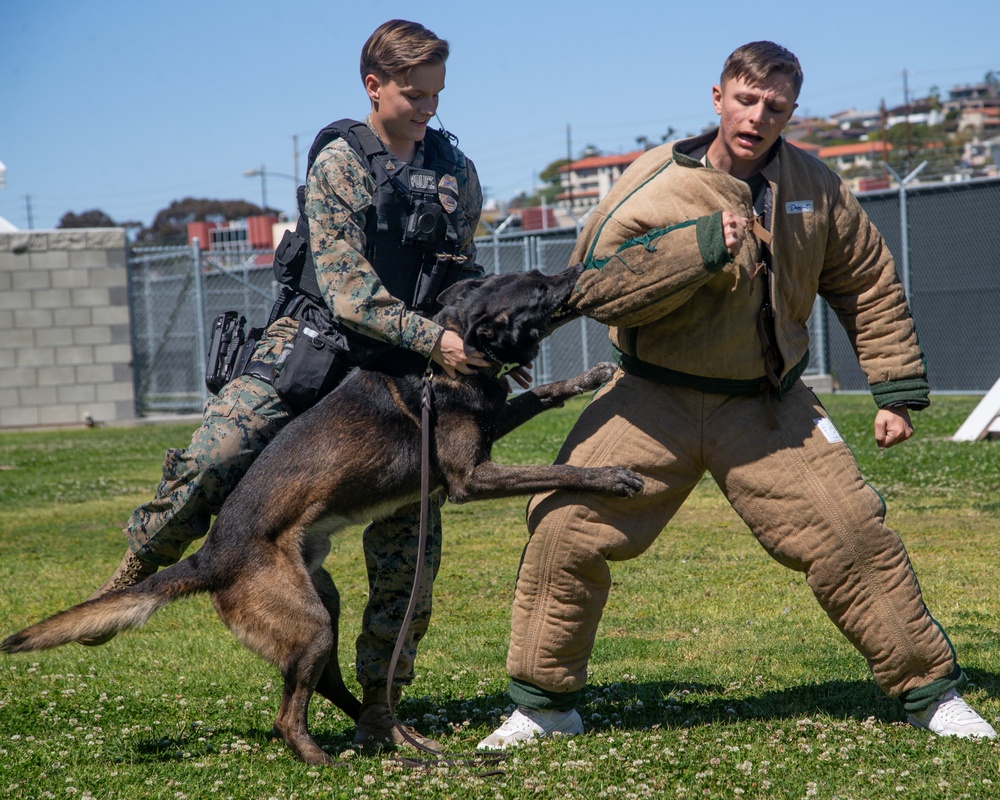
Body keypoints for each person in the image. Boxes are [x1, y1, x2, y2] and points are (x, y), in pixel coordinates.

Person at [478, 40, 996, 750]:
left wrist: (894, 392)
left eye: (774, 106)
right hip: (650, 400)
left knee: (852, 533)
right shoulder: (651, 182)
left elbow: (868, 281)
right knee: (564, 528)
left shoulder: (817, 186)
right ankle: (545, 708)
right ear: (718, 98)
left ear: (790, 111)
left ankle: (931, 695)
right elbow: (591, 286)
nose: (757, 116)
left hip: (768, 407)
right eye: (745, 100)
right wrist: (697, 246)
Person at [83, 19, 499, 752]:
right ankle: (134, 572)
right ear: (373, 86)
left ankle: (381, 706)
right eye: (413, 93)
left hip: (402, 377)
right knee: (217, 455)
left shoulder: (453, 171)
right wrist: (438, 337)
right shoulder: (340, 163)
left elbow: (461, 270)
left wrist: (481, 327)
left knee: (412, 544)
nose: (428, 107)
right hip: (316, 347)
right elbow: (347, 294)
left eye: (437, 92)